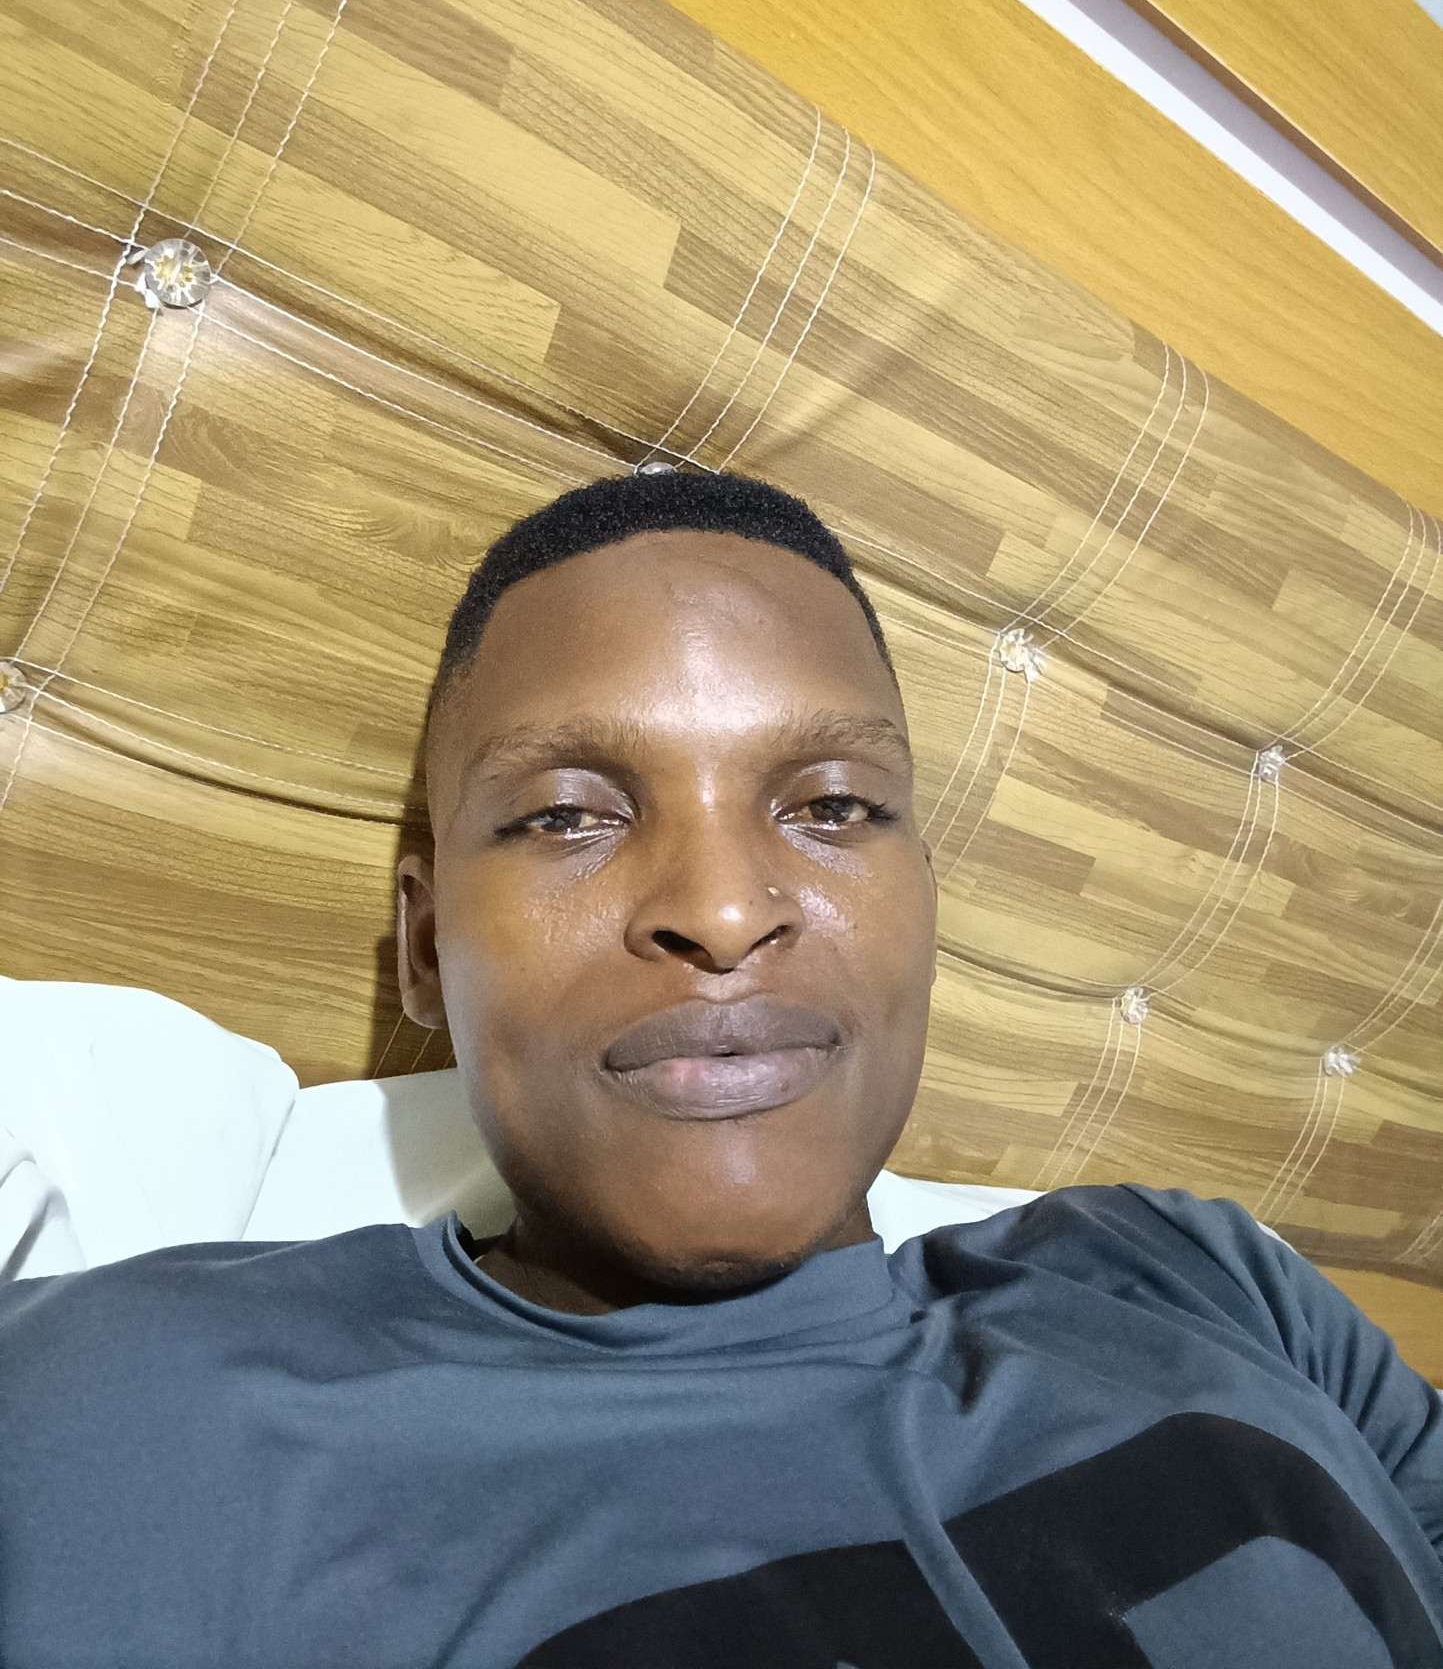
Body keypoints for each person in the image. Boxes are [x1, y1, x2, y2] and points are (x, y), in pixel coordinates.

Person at [0, 468, 1439, 1669]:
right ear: (428, 951)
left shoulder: (1200, 1275)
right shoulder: (125, 1404)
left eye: (833, 805)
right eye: (567, 816)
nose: (726, 908)